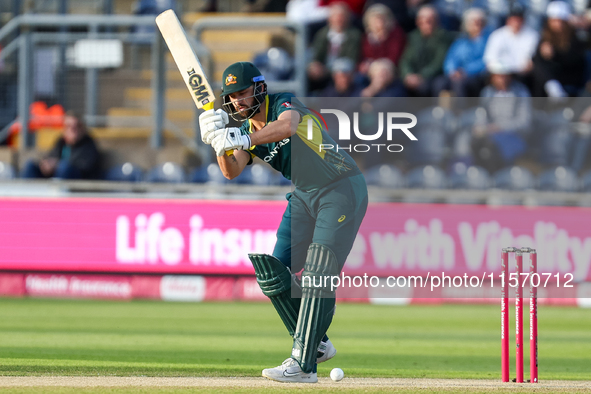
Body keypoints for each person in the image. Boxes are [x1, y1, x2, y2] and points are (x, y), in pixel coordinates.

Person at [198, 62, 368, 383]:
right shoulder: (247, 131)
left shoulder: (283, 103)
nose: (237, 102)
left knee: (318, 271)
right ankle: (315, 344)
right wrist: (218, 141)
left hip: (340, 185)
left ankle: (302, 366)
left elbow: (288, 126)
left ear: (259, 88)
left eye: (243, 93)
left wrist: (241, 138)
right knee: (273, 272)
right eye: (232, 97)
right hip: (304, 193)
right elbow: (231, 171)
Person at [472, 63, 532, 174]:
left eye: (505, 75)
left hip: (514, 137)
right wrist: (481, 128)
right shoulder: (487, 92)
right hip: (490, 136)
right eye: (499, 76)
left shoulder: (520, 92)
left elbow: (524, 122)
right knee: (475, 141)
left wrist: (500, 127)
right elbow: (481, 115)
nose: (502, 79)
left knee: (492, 146)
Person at [21, 112, 101, 180]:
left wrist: (57, 164)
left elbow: (85, 166)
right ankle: (26, 196)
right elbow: (51, 156)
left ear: (83, 128)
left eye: (77, 126)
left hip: (77, 180)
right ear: (64, 129)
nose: (73, 129)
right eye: (69, 126)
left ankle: (58, 198)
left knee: (64, 167)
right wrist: (46, 164)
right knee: (30, 165)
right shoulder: (61, 141)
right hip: (55, 176)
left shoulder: (88, 143)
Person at [531, 1, 586, 97]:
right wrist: (542, 52)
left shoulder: (576, 37)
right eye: (554, 21)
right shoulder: (545, 37)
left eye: (560, 21)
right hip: (551, 77)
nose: (557, 25)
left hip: (569, 77)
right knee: (538, 62)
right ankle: (551, 85)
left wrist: (554, 54)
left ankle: (552, 86)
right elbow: (536, 59)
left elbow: (575, 61)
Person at [399, 5, 455, 96]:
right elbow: (406, 59)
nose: (426, 23)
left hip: (434, 76)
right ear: (418, 22)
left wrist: (421, 76)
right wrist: (408, 74)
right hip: (414, 76)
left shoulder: (443, 38)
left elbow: (438, 62)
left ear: (436, 21)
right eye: (423, 20)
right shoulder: (413, 37)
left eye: (430, 20)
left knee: (432, 86)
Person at [434, 8, 489, 97]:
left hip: (476, 76)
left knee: (459, 84)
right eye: (473, 22)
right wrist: (452, 71)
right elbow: (451, 58)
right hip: (457, 74)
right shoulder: (460, 41)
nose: (476, 24)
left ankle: (461, 110)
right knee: (439, 82)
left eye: (479, 22)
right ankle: (439, 109)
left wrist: (465, 71)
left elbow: (486, 60)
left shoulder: (488, 40)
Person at [308, 2, 362, 91]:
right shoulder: (322, 34)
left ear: (348, 18)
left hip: (343, 71)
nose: (338, 19)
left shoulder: (355, 35)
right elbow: (316, 55)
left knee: (342, 74)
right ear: (330, 18)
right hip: (322, 71)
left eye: (341, 16)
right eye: (336, 16)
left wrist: (327, 71)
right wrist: (314, 65)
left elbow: (351, 59)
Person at [483, 5, 539, 78]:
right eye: (514, 19)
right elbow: (490, 59)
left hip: (523, 74)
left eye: (519, 19)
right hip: (501, 73)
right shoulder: (497, 35)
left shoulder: (532, 35)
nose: (516, 22)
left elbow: (531, 59)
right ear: (508, 20)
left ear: (523, 20)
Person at [359, 3, 406, 74]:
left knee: (381, 72)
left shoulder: (396, 33)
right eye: (375, 20)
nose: (379, 23)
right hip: (370, 69)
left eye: (382, 19)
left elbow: (394, 57)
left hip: (389, 69)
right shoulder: (367, 36)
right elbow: (365, 56)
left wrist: (375, 65)